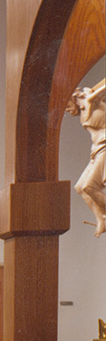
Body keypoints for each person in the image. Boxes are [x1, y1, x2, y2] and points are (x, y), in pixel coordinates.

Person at [66, 81, 105, 237]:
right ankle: (102, 219)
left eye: (66, 105)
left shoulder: (91, 99)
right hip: (96, 150)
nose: (67, 110)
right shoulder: (84, 107)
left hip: (104, 146)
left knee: (90, 186)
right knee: (80, 187)